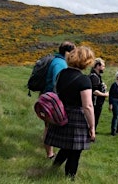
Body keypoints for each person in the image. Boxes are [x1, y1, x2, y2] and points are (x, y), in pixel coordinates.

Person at [44, 46, 96, 179]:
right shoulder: (84, 80)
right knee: (75, 151)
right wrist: (92, 127)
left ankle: (53, 169)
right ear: (86, 61)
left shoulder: (62, 74)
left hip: (61, 114)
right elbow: (88, 106)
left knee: (67, 147)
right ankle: (70, 178)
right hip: (76, 117)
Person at [43, 41, 76, 159]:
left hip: (50, 97)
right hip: (52, 100)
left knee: (50, 126)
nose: (74, 55)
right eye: (73, 52)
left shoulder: (58, 61)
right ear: (67, 52)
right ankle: (50, 154)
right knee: (49, 126)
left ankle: (51, 152)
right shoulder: (60, 63)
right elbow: (57, 82)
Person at [89, 58, 109, 133]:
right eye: (103, 66)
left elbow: (97, 87)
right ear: (98, 66)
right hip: (95, 103)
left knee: (95, 119)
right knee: (94, 118)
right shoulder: (94, 77)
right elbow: (94, 91)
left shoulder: (97, 76)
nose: (104, 68)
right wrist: (104, 94)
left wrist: (103, 86)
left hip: (97, 103)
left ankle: (93, 131)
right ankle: (91, 134)